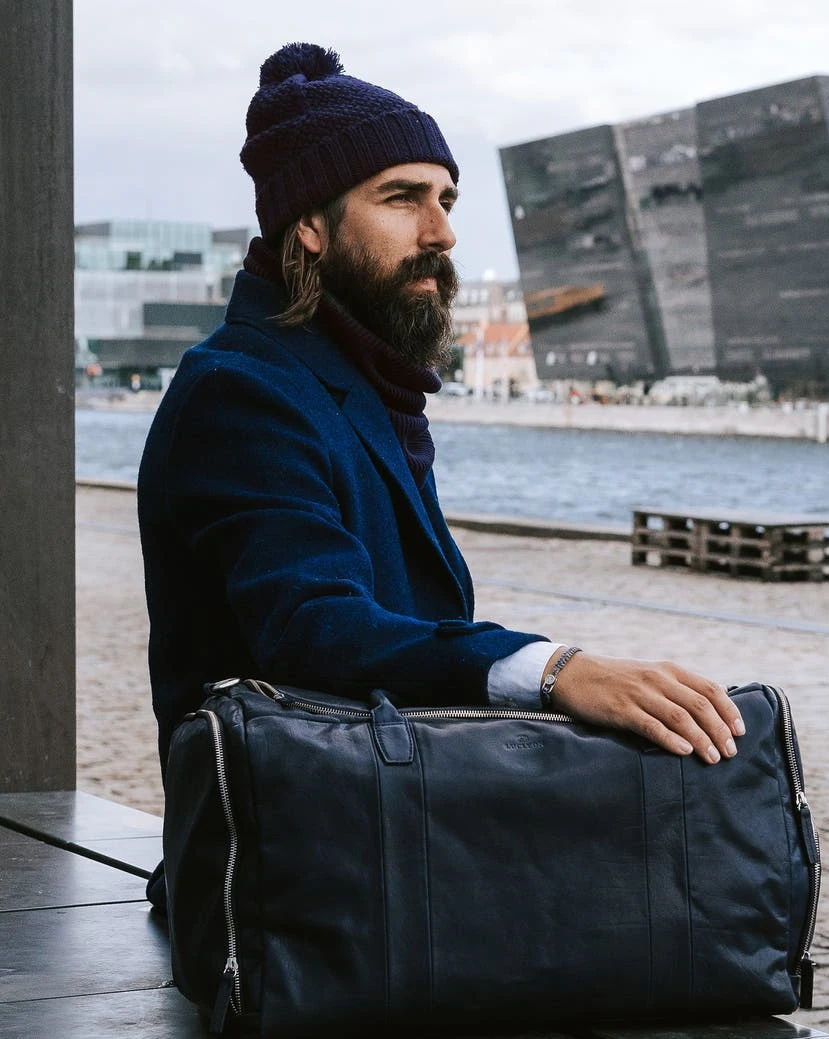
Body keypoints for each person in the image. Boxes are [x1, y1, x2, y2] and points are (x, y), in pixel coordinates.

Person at [138, 43, 743, 840]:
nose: (442, 232)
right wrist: (554, 670)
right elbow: (315, 626)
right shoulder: (241, 390)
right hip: (283, 865)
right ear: (309, 224)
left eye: (447, 200)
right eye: (402, 198)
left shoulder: (361, 382)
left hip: (376, 835)